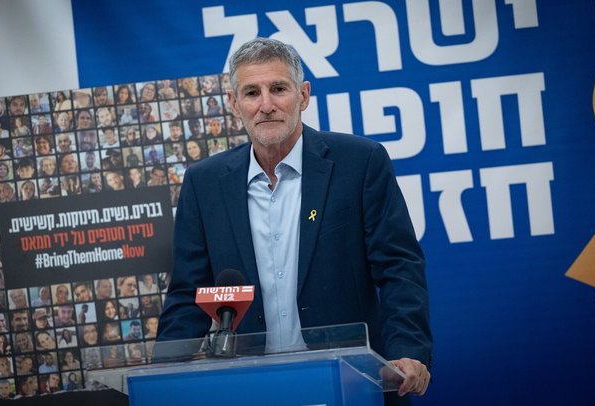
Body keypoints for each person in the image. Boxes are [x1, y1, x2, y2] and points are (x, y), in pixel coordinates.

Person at [157, 38, 432, 403]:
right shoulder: (204, 183)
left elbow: (399, 267)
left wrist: (408, 350)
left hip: (350, 383)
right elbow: (188, 296)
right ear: (234, 103)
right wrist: (160, 377)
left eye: (279, 89)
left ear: (303, 96)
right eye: (252, 92)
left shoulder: (360, 162)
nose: (266, 105)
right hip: (251, 390)